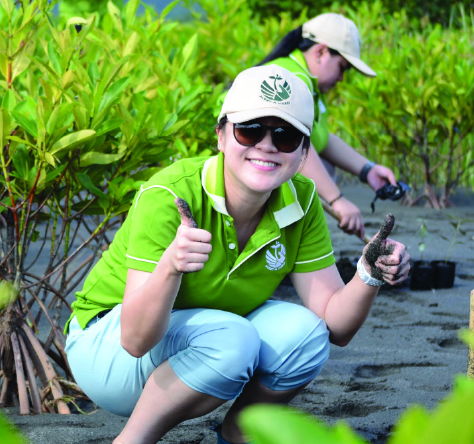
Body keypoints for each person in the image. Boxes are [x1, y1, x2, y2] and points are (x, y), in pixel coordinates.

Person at [64, 65, 410, 444]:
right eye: (249, 130)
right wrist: (171, 266)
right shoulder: (171, 194)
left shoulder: (303, 200)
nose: (265, 145)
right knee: (233, 339)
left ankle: (238, 434)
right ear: (221, 136)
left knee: (305, 336)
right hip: (109, 350)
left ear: (304, 153)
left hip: (208, 339)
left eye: (285, 136)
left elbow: (335, 326)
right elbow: (135, 339)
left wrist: (368, 273)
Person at [258, 12, 398, 239]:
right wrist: (337, 200)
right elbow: (291, 144)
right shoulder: (288, 79)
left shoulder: (306, 82)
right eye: (342, 67)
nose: (342, 78)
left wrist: (368, 170)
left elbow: (321, 138)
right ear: (321, 52)